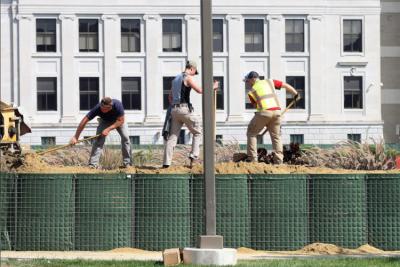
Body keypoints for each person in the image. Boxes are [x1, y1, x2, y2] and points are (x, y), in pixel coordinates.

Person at [162, 60, 219, 168]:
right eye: (194, 72)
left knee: (172, 137)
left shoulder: (175, 79)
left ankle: (166, 163)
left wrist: (175, 106)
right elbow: (200, 90)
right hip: (184, 109)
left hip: (174, 110)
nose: (194, 74)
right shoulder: (188, 77)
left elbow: (170, 97)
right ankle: (193, 158)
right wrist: (213, 86)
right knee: (198, 132)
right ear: (192, 68)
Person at [244, 71, 299, 164]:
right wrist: (295, 94)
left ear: (253, 79)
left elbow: (257, 106)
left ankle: (252, 159)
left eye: (248, 81)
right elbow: (285, 85)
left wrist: (263, 121)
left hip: (264, 112)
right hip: (277, 112)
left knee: (251, 133)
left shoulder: (252, 91)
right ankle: (279, 160)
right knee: (276, 137)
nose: (248, 83)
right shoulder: (270, 82)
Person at [70, 97, 132, 168]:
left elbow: (121, 121)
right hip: (105, 121)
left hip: (118, 121)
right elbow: (84, 121)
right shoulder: (97, 108)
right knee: (98, 140)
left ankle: (127, 163)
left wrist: (108, 129)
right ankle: (92, 164)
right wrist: (76, 137)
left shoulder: (118, 105)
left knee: (126, 138)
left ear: (110, 107)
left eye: (105, 109)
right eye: (102, 108)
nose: (103, 110)